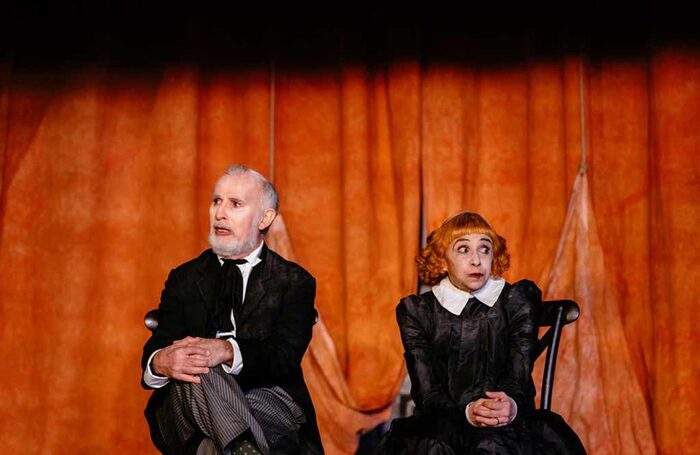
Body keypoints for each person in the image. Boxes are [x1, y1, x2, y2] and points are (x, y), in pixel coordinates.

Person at [141, 165, 323, 455]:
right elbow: (161, 343)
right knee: (201, 364)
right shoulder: (185, 278)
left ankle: (234, 448)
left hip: (266, 397)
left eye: (235, 204)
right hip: (185, 404)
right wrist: (160, 361)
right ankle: (242, 450)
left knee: (211, 446)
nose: (220, 213)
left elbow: (283, 358)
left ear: (265, 218)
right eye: (216, 201)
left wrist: (226, 351)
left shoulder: (293, 281)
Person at [379, 212, 585, 454]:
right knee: (434, 447)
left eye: (484, 249)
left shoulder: (516, 301)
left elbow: (518, 377)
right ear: (443, 260)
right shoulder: (419, 311)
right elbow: (427, 391)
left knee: (494, 446)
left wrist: (510, 406)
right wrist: (467, 412)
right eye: (463, 249)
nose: (476, 260)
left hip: (507, 422)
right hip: (445, 422)